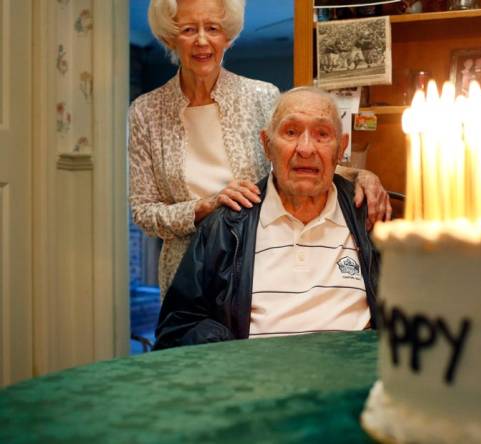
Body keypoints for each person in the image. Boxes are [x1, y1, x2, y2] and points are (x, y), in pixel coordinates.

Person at [129, 0, 391, 293]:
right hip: (187, 278)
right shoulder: (145, 112)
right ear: (170, 37)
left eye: (212, 28)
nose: (202, 40)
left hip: (256, 266)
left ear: (226, 36)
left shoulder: (261, 96)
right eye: (189, 29)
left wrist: (361, 176)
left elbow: (299, 161)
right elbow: (144, 213)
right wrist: (205, 206)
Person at [154, 87, 379, 349]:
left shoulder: (371, 216)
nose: (305, 149)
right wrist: (235, 357)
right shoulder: (226, 226)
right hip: (255, 384)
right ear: (266, 145)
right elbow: (177, 328)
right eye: (291, 132)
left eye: (322, 134)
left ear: (341, 148)